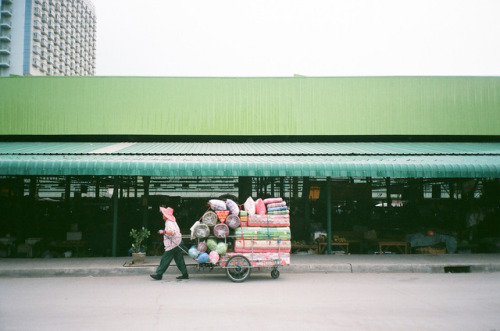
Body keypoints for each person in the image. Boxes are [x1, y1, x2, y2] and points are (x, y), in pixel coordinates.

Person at [150, 207, 189, 280]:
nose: (162, 215)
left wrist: (163, 231)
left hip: (173, 244)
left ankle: (159, 274)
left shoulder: (169, 222)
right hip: (178, 242)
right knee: (179, 259)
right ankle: (185, 274)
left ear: (165, 215)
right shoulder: (172, 221)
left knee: (165, 259)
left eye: (163, 214)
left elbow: (171, 232)